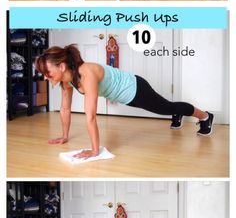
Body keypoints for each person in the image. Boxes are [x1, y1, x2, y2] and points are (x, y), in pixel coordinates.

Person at [35, 42, 215, 152]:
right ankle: (178, 114)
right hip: (126, 97)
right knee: (166, 107)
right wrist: (65, 136)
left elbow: (90, 116)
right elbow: (65, 109)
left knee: (166, 108)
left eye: (46, 72)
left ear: (61, 66)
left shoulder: (86, 73)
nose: (44, 76)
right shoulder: (66, 81)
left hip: (135, 88)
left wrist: (94, 151)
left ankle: (205, 116)